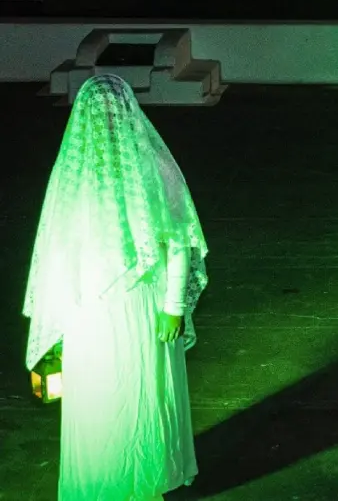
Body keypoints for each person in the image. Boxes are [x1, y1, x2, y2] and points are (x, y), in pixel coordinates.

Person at [23, 74, 208, 499]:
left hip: (142, 303)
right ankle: (103, 479)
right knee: (101, 397)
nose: (105, 121)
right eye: (97, 113)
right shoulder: (72, 175)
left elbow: (179, 238)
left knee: (142, 389)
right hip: (88, 311)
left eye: (112, 112)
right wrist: (57, 324)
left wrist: (174, 303)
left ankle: (146, 474)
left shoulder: (155, 168)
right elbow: (55, 253)